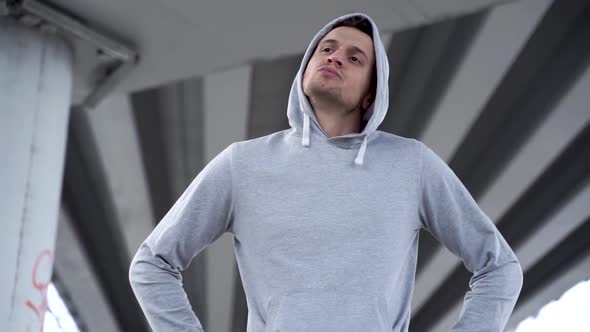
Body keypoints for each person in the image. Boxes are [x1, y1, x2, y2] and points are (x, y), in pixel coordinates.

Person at [129, 12, 524, 332]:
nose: (334, 57)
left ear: (371, 94)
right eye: (327, 48)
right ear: (304, 70)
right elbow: (152, 264)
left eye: (355, 58)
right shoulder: (243, 164)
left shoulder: (412, 165)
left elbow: (498, 267)